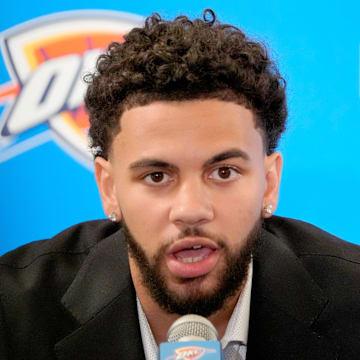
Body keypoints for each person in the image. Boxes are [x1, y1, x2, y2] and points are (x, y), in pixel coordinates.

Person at [0, 9, 359, 360]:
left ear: (269, 183)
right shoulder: (12, 312)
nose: (191, 210)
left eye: (224, 172)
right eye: (157, 176)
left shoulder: (352, 301)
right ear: (109, 190)